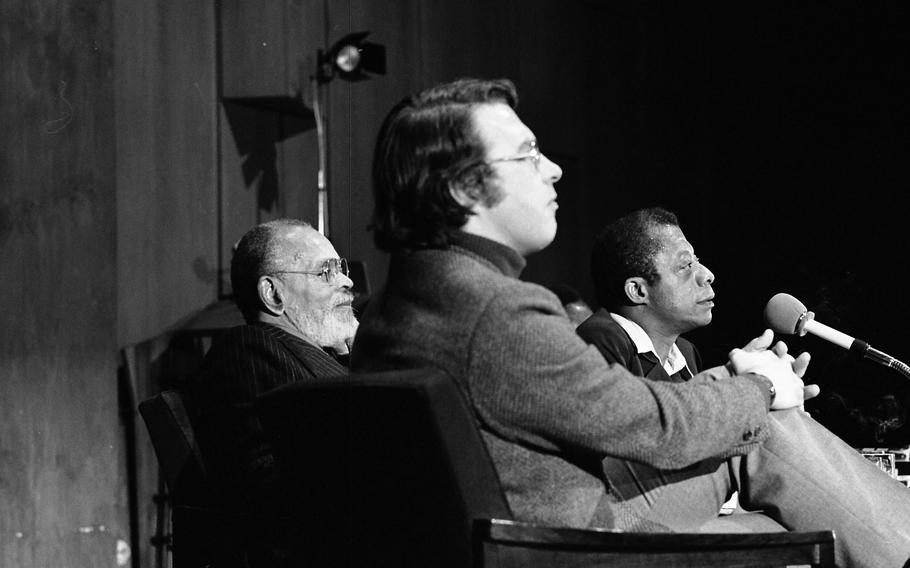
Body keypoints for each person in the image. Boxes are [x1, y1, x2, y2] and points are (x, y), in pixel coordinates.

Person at [349, 76, 910, 567]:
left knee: (754, 425)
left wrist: (743, 384)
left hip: (529, 534)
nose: (554, 168)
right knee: (766, 421)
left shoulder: (400, 306)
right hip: (572, 547)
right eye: (528, 154)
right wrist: (762, 387)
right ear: (461, 188)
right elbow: (657, 432)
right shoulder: (497, 312)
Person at [188, 218, 358, 566]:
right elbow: (271, 489)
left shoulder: (308, 355)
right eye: (326, 271)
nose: (347, 280)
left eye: (342, 268)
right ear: (273, 294)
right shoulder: (248, 348)